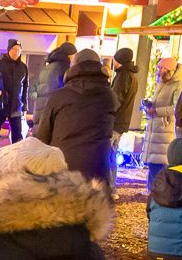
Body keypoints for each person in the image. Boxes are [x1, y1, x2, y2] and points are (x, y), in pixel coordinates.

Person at [33, 47, 118, 185]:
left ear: (73, 68)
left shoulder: (59, 96)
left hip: (63, 168)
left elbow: (43, 135)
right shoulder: (110, 96)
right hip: (98, 171)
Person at [141, 56, 182, 191]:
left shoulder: (178, 84)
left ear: (169, 69)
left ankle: (157, 192)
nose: (158, 70)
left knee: (159, 164)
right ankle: (152, 190)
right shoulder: (161, 82)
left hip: (164, 129)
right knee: (154, 162)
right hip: (156, 128)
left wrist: (158, 111)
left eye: (161, 67)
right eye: (159, 67)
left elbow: (176, 107)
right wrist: (148, 105)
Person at [30, 40, 76, 126]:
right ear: (69, 55)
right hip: (52, 116)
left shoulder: (47, 68)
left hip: (41, 113)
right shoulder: (64, 68)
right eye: (74, 56)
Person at [0, 40, 30, 141]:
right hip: (1, 104)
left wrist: (25, 107)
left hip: (16, 105)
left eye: (19, 50)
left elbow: (25, 88)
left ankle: (17, 155)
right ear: (9, 50)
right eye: (14, 49)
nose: (16, 52)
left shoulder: (23, 67)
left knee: (17, 135)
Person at [108, 47, 139, 157]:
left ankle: (108, 175)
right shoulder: (131, 76)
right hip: (121, 122)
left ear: (119, 60)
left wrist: (106, 115)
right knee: (112, 156)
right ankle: (111, 174)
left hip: (115, 122)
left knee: (107, 156)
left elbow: (115, 100)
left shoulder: (123, 76)